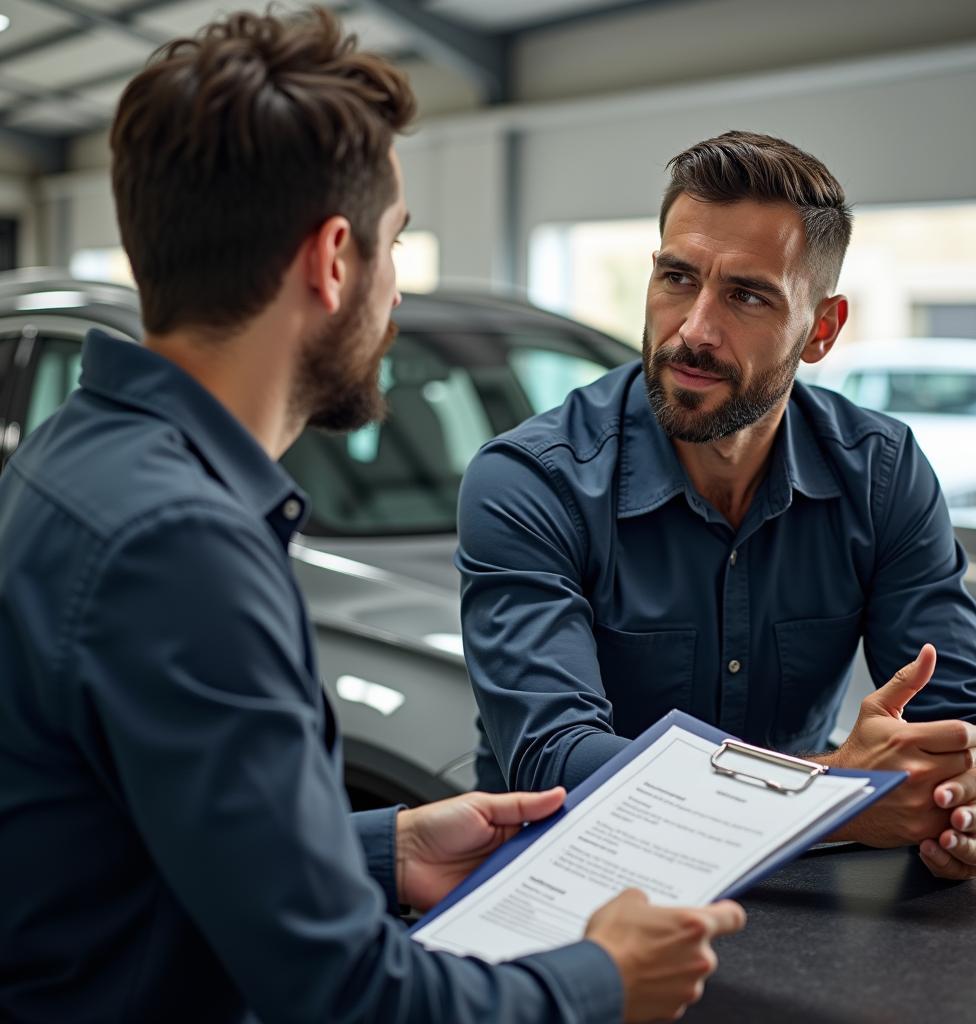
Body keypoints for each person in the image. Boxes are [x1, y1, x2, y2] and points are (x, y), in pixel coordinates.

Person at [0, 10, 746, 1022]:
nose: (395, 296)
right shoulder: (178, 548)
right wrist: (599, 980)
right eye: (397, 246)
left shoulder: (78, 456)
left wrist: (384, 846)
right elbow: (345, 995)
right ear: (333, 258)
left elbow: (132, 846)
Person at [458, 130, 976, 881]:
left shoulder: (880, 475)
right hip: (575, 892)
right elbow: (557, 761)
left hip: (795, 900)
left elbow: (970, 715)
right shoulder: (531, 482)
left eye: (747, 295)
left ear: (820, 330)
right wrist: (837, 798)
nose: (693, 330)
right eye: (677, 278)